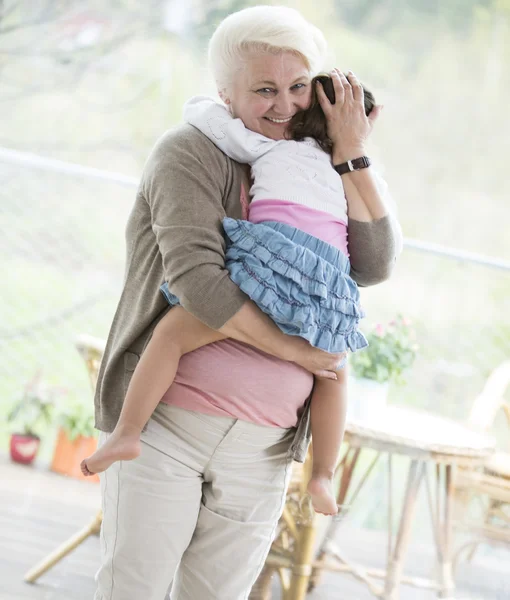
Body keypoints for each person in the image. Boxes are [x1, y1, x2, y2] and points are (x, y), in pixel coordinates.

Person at [92, 6, 402, 600]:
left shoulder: (325, 160)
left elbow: (375, 262)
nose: (283, 105)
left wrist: (352, 152)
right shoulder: (190, 152)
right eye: (264, 90)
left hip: (263, 449)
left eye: (296, 87)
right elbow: (198, 280)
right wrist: (293, 349)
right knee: (133, 589)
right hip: (168, 430)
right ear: (225, 95)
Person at [82, 74, 377, 518]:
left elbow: (221, 130)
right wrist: (356, 149)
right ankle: (323, 475)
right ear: (361, 123)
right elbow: (379, 232)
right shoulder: (351, 170)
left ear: (302, 111)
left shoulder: (273, 144)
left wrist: (210, 102)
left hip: (268, 259)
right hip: (324, 276)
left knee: (173, 334)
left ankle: (128, 430)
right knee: (334, 373)